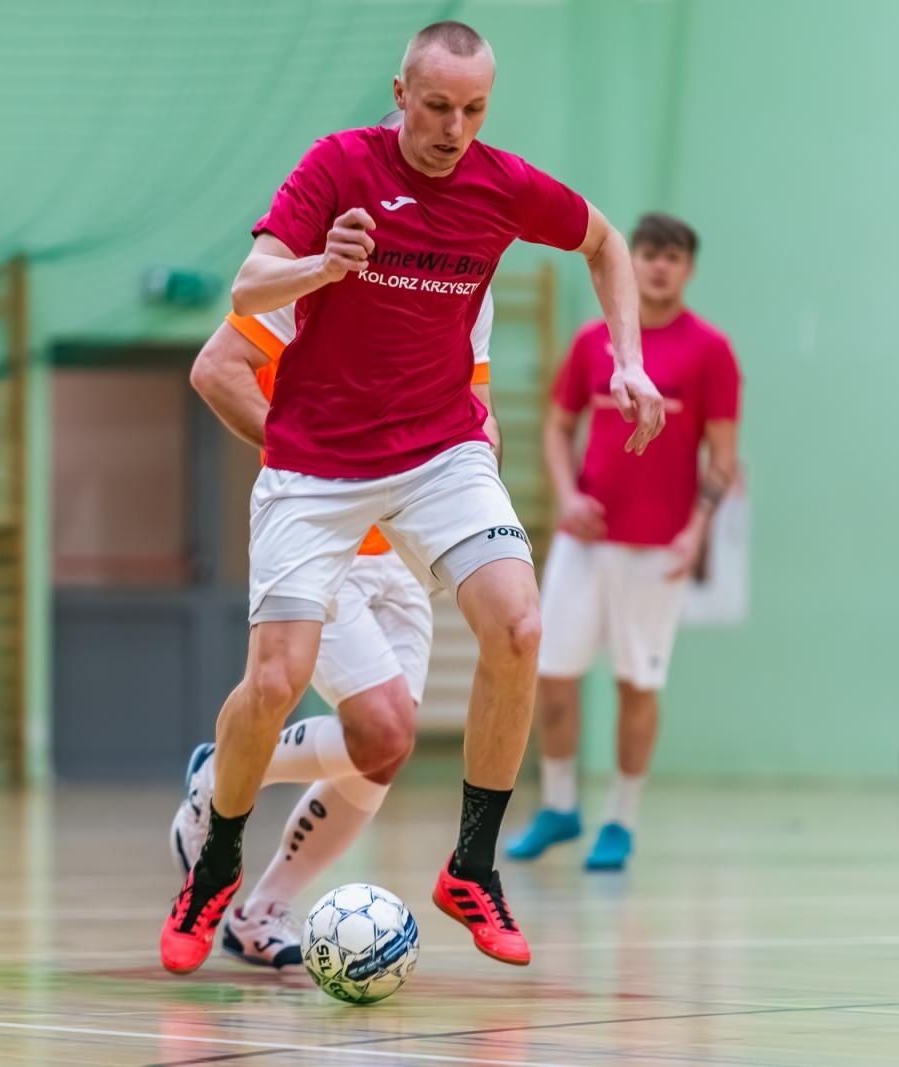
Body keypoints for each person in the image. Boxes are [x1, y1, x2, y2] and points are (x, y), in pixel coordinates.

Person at [159, 19, 665, 975]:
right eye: (437, 107)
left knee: (519, 624)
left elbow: (603, 241)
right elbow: (248, 284)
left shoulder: (502, 187)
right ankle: (216, 863)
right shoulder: (339, 169)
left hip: (439, 453)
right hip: (316, 464)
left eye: (474, 110)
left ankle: (473, 866)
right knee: (273, 681)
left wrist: (629, 362)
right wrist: (323, 264)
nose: (454, 128)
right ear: (400, 94)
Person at [173, 272, 497, 970]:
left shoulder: (455, 281)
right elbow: (216, 369)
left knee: (385, 748)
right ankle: (221, 777)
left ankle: (261, 912)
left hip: (407, 551)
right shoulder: (309, 283)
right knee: (381, 724)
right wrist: (312, 458)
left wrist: (467, 496)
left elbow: (475, 405)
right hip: (324, 541)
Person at [506, 212, 741, 872]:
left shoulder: (710, 351)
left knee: (637, 685)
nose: (660, 265)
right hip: (586, 543)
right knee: (550, 675)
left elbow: (724, 457)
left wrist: (697, 531)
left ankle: (621, 820)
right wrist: (564, 497)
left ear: (688, 269)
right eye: (649, 253)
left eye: (673, 256)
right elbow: (556, 428)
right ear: (631, 260)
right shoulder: (591, 343)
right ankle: (557, 806)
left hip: (657, 552)